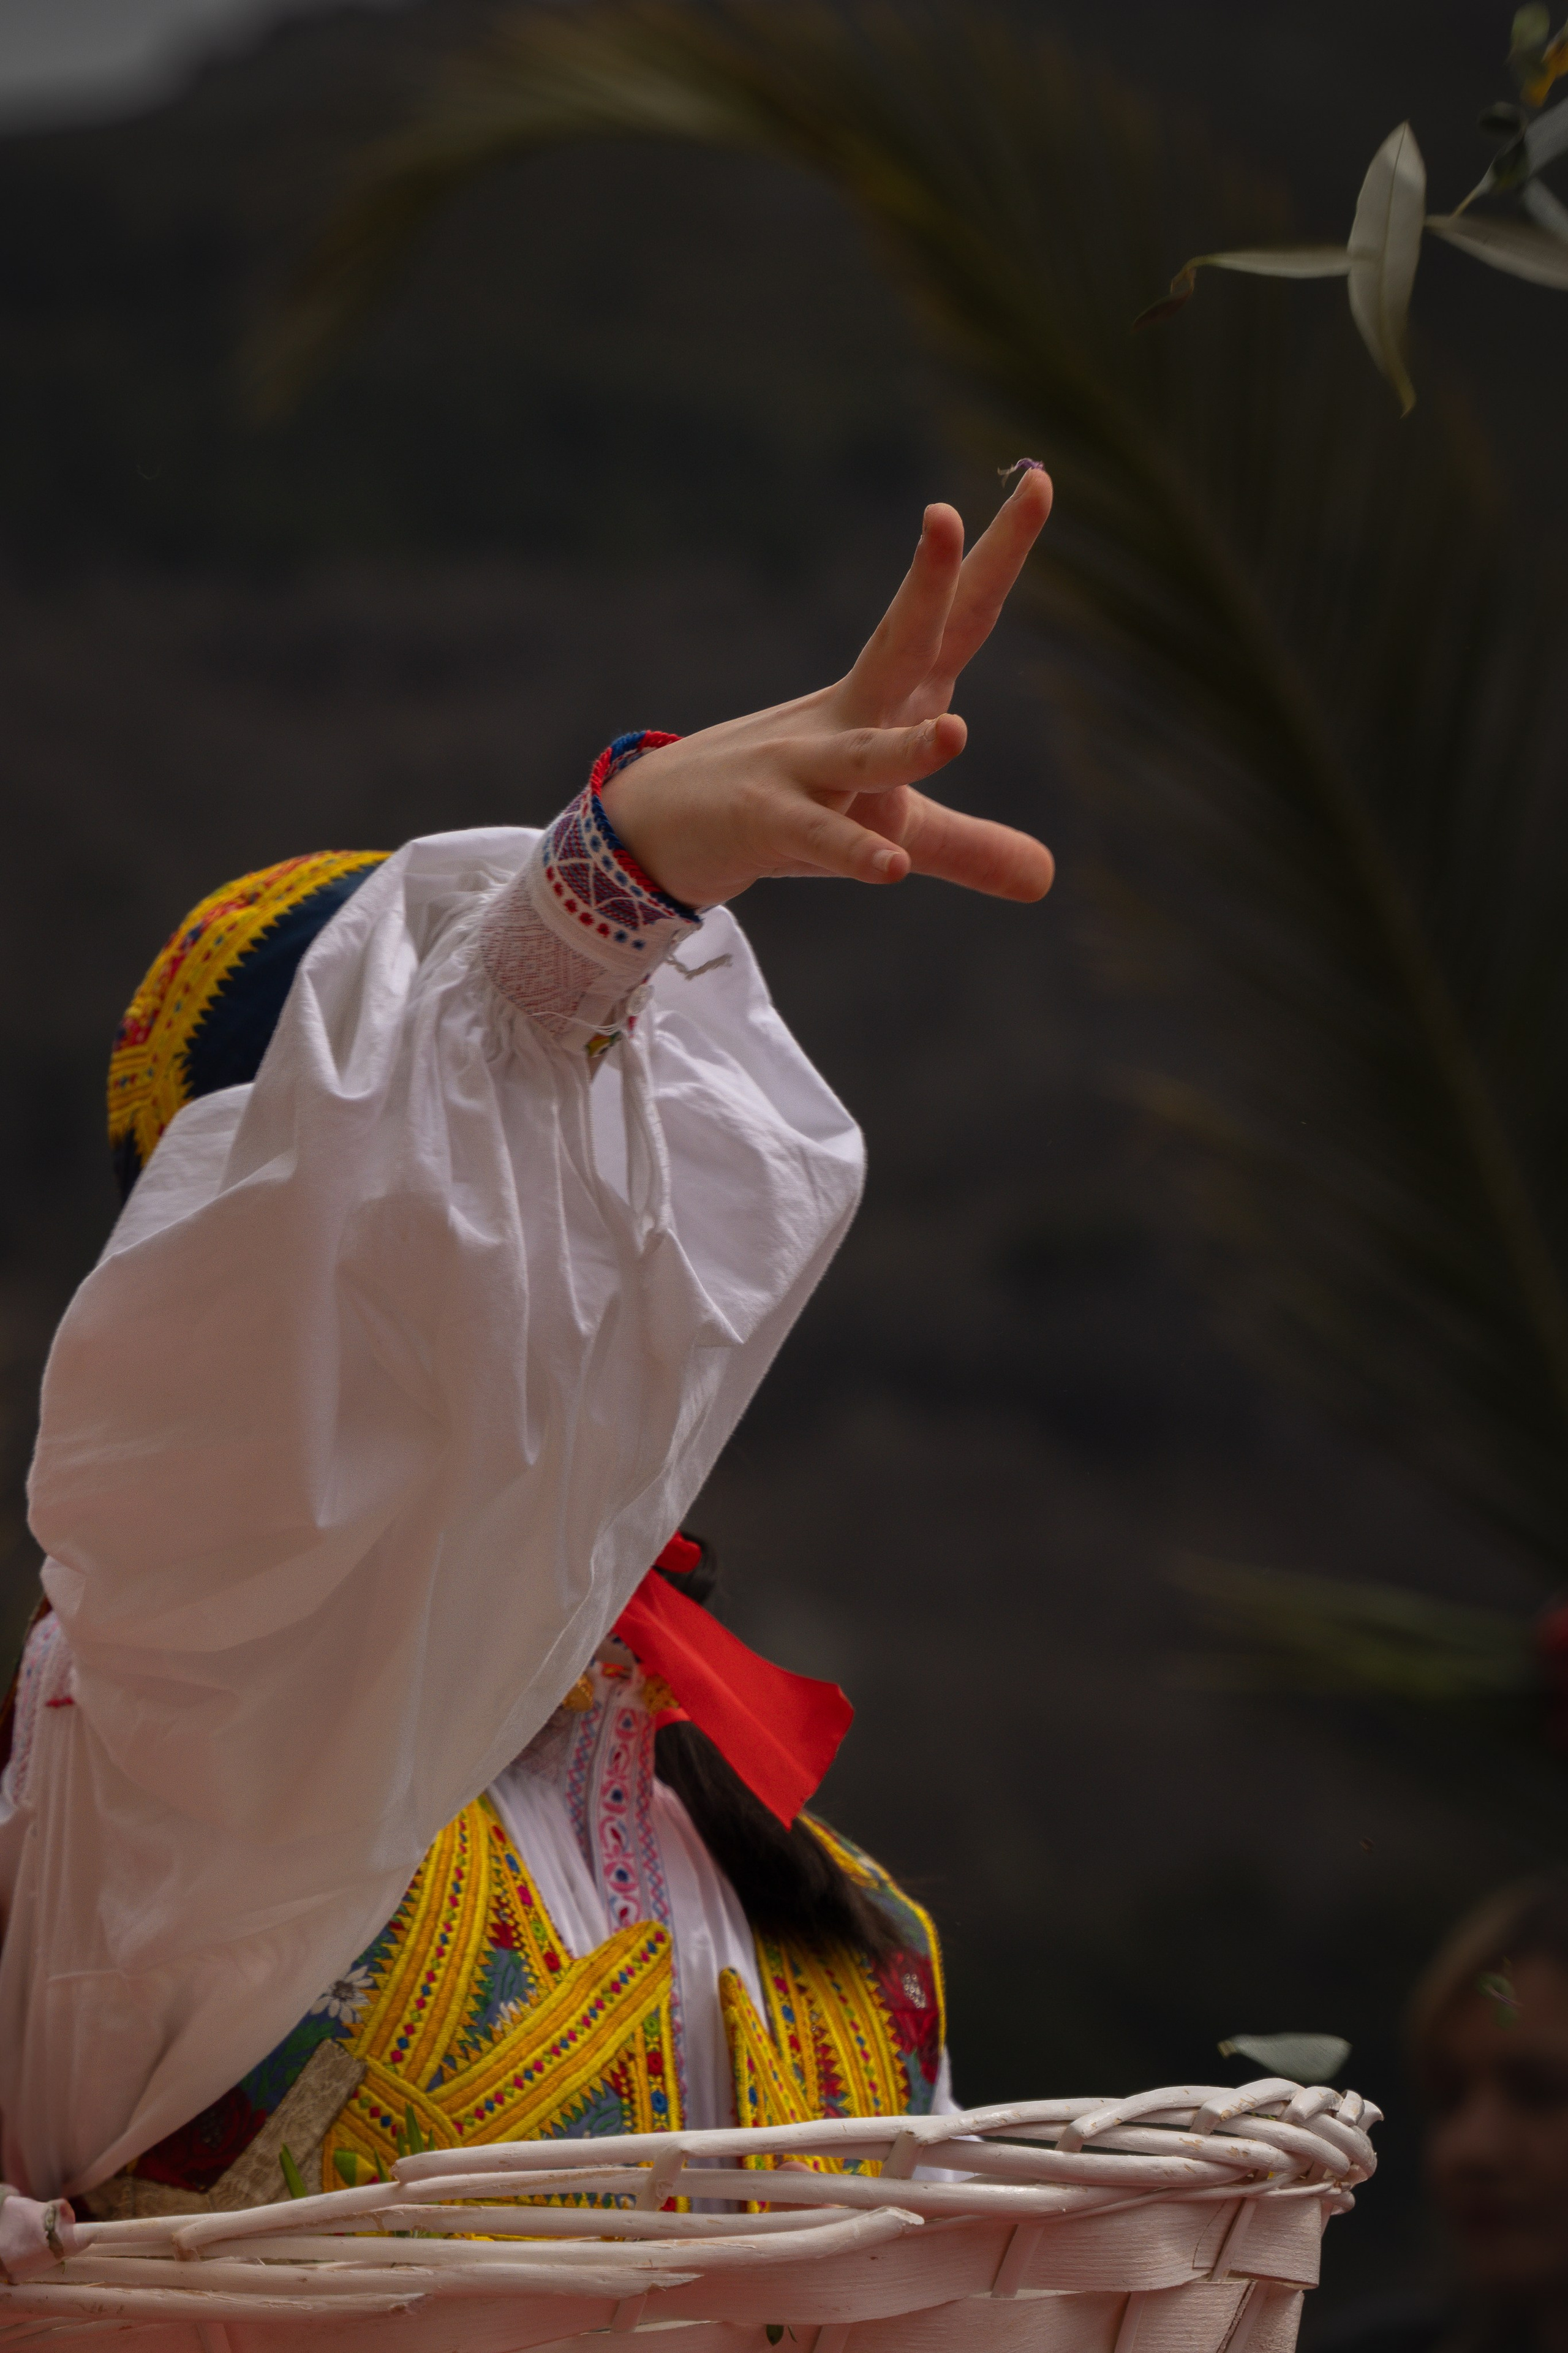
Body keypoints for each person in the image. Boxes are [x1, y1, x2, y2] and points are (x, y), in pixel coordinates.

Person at [0, 471, 1055, 2272]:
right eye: (481, 1150)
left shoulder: (834, 1910)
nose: (558, 1211)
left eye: (608, 1125)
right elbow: (327, 1314)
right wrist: (602, 894)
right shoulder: (182, 1733)